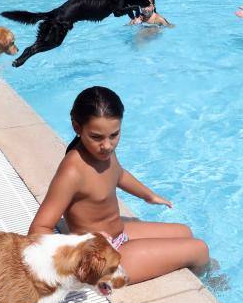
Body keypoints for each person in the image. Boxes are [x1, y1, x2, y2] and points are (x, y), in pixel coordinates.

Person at [28, 86, 210, 284]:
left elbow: (119, 174)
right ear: (77, 127)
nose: (107, 145)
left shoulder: (104, 152)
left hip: (119, 234)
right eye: (96, 137)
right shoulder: (72, 172)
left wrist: (147, 195)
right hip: (101, 258)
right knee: (200, 249)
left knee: (185, 232)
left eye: (114, 135)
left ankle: (197, 270)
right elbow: (39, 229)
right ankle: (211, 283)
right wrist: (80, 248)